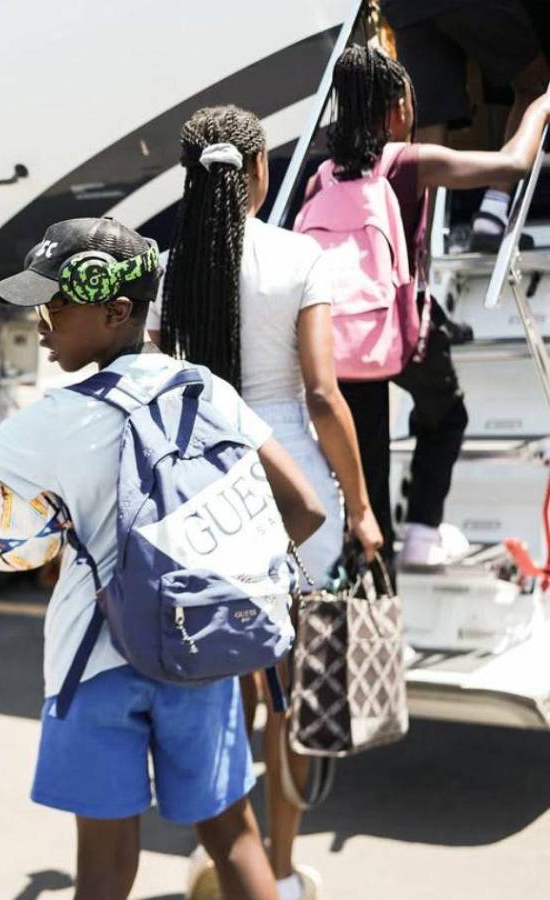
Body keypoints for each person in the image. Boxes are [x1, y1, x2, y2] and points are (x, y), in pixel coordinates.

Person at [0, 216, 328, 900]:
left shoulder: (60, 417)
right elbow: (304, 509)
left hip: (93, 665)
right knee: (233, 839)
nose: (40, 323)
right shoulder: (206, 390)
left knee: (104, 869)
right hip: (204, 651)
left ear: (116, 310)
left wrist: (33, 524)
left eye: (55, 306)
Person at [152, 105, 385, 900]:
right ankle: (280, 875)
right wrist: (359, 506)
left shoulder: (169, 270)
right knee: (293, 691)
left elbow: (157, 397)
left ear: (190, 178)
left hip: (201, 489)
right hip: (294, 489)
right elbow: (323, 395)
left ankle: (228, 865)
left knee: (226, 691)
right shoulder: (299, 258)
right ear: (258, 173)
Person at [316, 44, 550, 571]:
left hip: (343, 342)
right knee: (446, 417)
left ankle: (369, 588)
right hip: (400, 332)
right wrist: (540, 105)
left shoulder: (321, 177)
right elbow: (512, 164)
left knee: (368, 471)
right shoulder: (405, 161)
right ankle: (423, 529)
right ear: (396, 111)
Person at [381, 0, 550, 251]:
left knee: (428, 124)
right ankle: (492, 213)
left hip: (405, 8)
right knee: (534, 86)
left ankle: (417, 250)